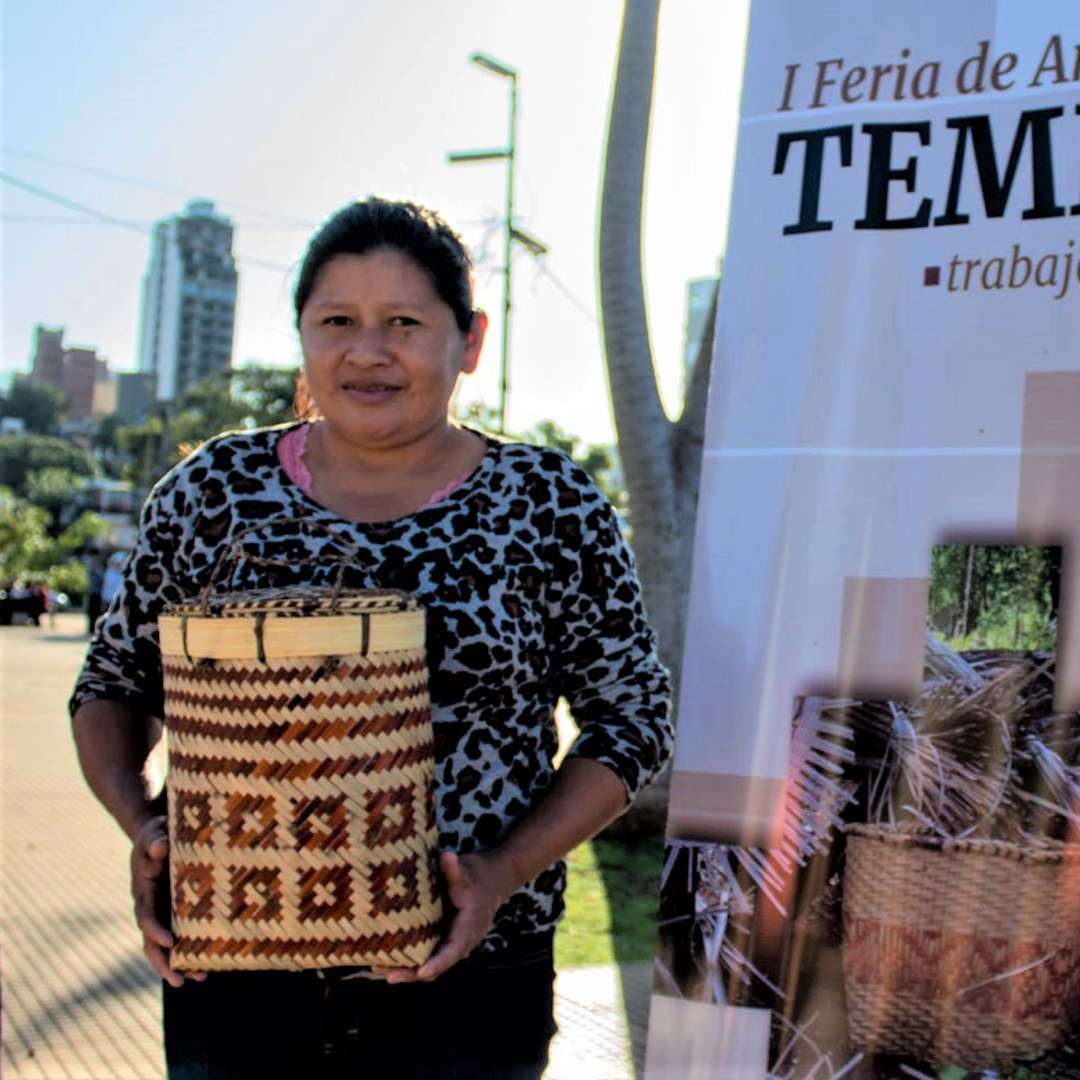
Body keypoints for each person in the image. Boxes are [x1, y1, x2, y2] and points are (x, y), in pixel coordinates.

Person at [70, 196, 672, 1079]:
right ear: (303, 335)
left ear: (468, 341)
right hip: (233, 975)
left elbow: (632, 717)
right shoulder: (212, 492)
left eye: (404, 322)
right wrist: (144, 823)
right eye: (338, 321)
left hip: (471, 973)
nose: (367, 351)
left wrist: (501, 872)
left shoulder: (548, 502)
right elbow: (114, 684)